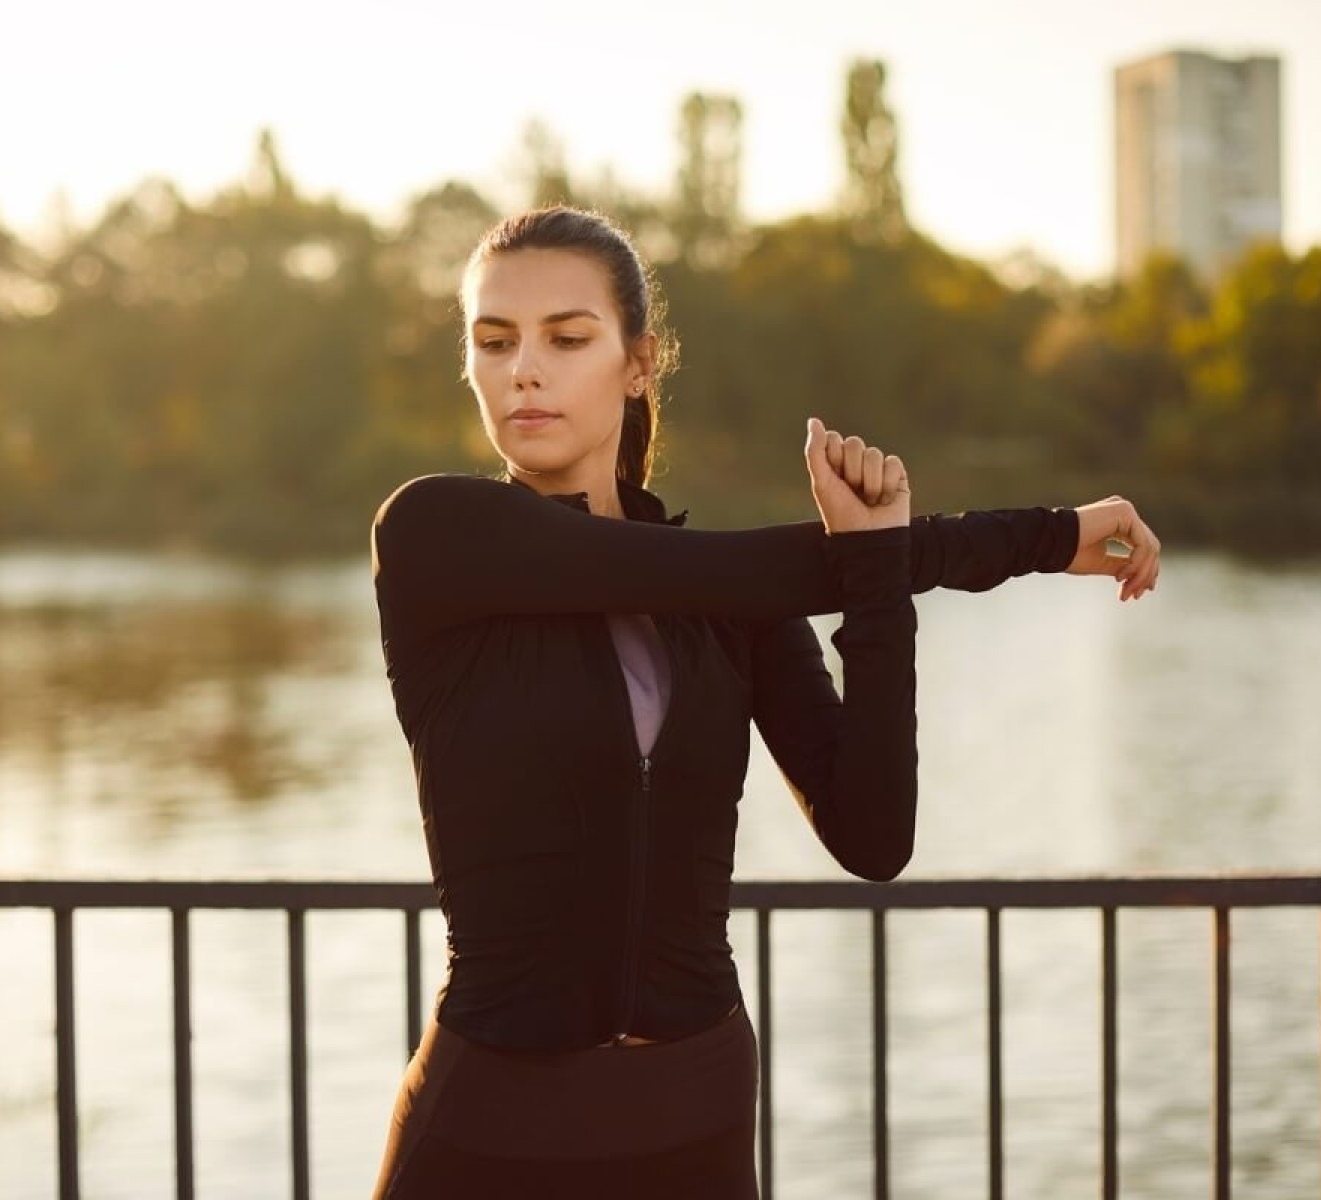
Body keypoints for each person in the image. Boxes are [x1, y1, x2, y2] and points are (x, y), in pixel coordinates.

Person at [367, 206, 1160, 1198]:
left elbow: (874, 840)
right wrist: (1041, 538)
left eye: (567, 338)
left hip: (692, 1118)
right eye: (494, 340)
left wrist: (877, 586)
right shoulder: (438, 539)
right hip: (492, 1129)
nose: (525, 368)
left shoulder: (728, 608)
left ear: (638, 362)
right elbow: (751, 567)